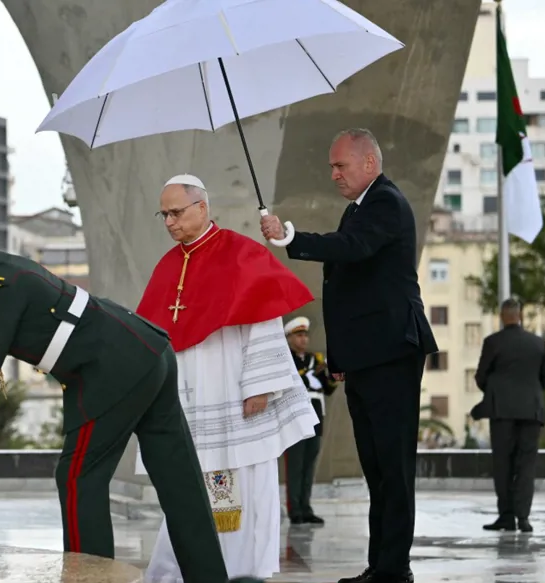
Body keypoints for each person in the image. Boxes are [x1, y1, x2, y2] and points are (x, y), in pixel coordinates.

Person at [0, 214, 253, 583]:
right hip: (146, 352)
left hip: (112, 370)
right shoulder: (0, 275)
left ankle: (91, 580)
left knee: (78, 478)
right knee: (178, 481)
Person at [261, 128, 438, 583]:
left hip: (391, 352)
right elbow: (350, 289)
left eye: (341, 165)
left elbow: (352, 249)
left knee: (392, 468)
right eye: (331, 167)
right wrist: (340, 357)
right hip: (368, 356)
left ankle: (393, 570)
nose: (334, 174)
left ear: (369, 163)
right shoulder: (359, 208)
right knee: (376, 468)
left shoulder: (385, 202)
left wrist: (290, 236)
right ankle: (381, 565)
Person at [138, 175, 320, 581]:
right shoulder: (168, 266)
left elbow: (265, 320)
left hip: (235, 392)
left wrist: (259, 385)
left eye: (176, 212)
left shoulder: (241, 254)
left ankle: (240, 571)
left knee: (240, 483)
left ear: (202, 207)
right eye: (163, 215)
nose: (169, 222)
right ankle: (179, 570)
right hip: (188, 398)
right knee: (187, 481)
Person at [473, 298, 545, 533]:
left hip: (502, 412)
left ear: (501, 316)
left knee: (503, 464)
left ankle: (506, 517)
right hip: (532, 411)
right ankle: (523, 518)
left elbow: (481, 377)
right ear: (520, 316)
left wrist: (497, 392)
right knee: (527, 465)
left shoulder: (493, 342)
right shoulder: (538, 343)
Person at [283, 316, 338, 526]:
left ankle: (306, 508)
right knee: (295, 465)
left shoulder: (316, 360)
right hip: (295, 416)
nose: (303, 339)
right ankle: (295, 510)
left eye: (305, 335)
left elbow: (328, 389)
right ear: (289, 338)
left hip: (315, 415)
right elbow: (290, 382)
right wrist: (307, 377)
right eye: (299, 335)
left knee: (309, 465)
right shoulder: (287, 360)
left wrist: (332, 375)